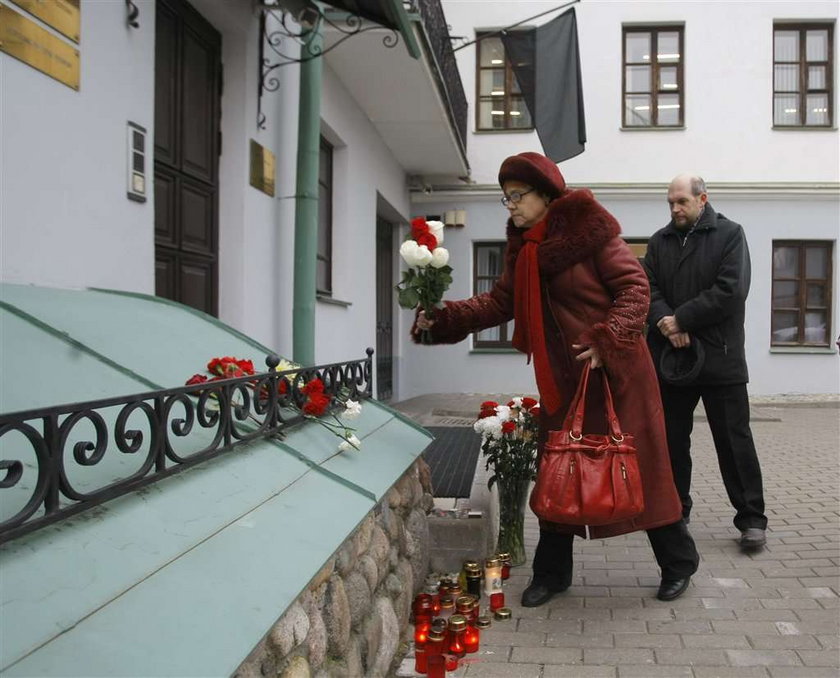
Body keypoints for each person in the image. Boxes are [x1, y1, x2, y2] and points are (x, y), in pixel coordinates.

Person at [413, 152, 699, 605]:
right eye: (505, 198)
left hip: (618, 376)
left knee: (641, 468)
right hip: (564, 381)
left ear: (546, 196)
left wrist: (608, 340)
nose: (510, 206)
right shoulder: (525, 250)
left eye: (517, 197)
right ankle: (551, 573)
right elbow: (499, 303)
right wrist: (444, 318)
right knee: (558, 472)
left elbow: (635, 288)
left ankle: (678, 562)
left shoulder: (593, 234)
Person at [643, 174, 768, 551]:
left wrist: (683, 319)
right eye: (670, 202)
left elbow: (731, 290)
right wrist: (668, 324)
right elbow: (646, 287)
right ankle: (674, 511)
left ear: (702, 199)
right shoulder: (660, 241)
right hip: (673, 359)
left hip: (721, 359)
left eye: (681, 201)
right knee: (671, 442)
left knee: (734, 442)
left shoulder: (730, 234)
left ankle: (751, 519)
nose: (675, 208)